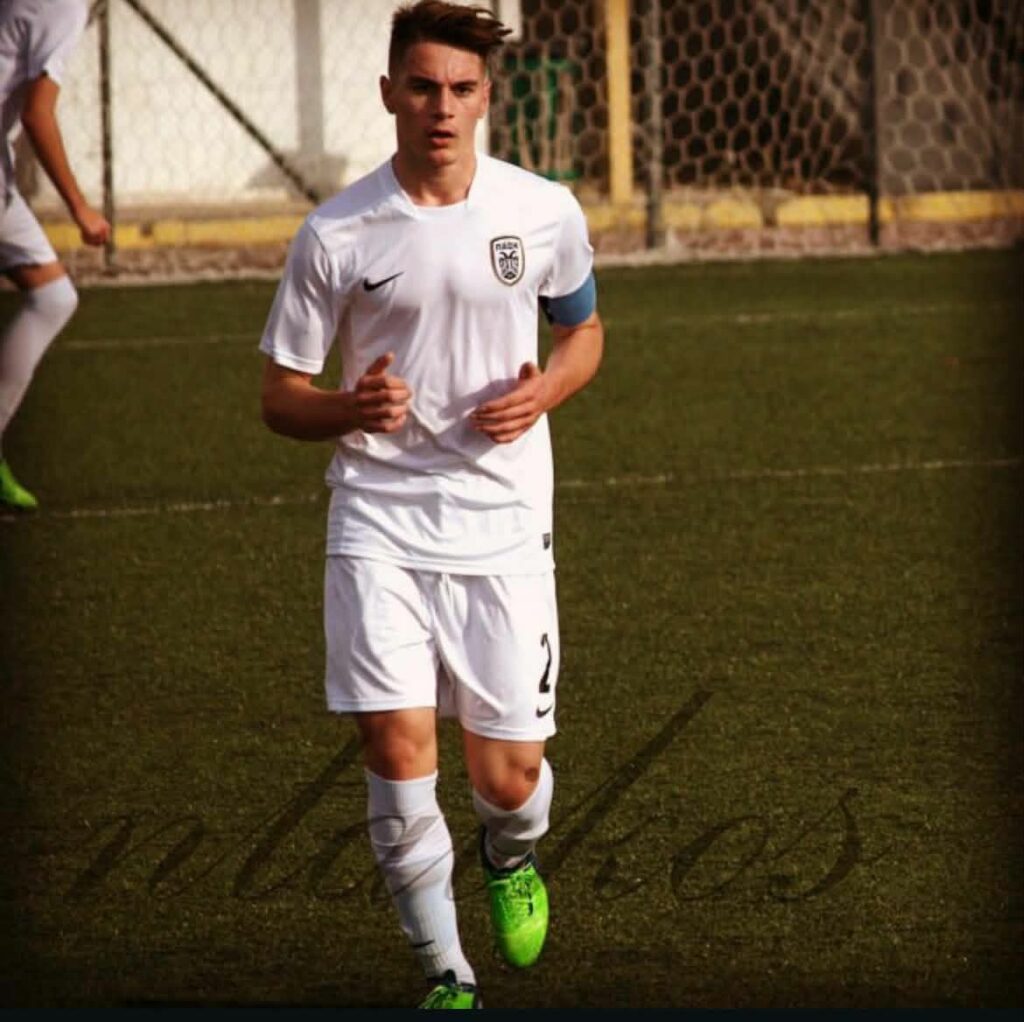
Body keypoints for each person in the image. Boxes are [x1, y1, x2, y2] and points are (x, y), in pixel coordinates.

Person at [259, 0, 602, 1008]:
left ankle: (511, 851)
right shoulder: (336, 232)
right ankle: (446, 975)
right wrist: (349, 406)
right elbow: (279, 396)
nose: (441, 108)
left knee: (507, 779)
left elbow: (583, 333)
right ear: (388, 93)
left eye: (459, 89)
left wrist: (546, 389)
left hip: (503, 524)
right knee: (396, 748)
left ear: (486, 97)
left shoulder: (543, 211)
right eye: (421, 87)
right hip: (378, 520)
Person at [0, 0, 110, 510]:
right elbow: (37, 112)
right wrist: (81, 208)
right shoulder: (64, 6)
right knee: (52, 298)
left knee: (52, 296)